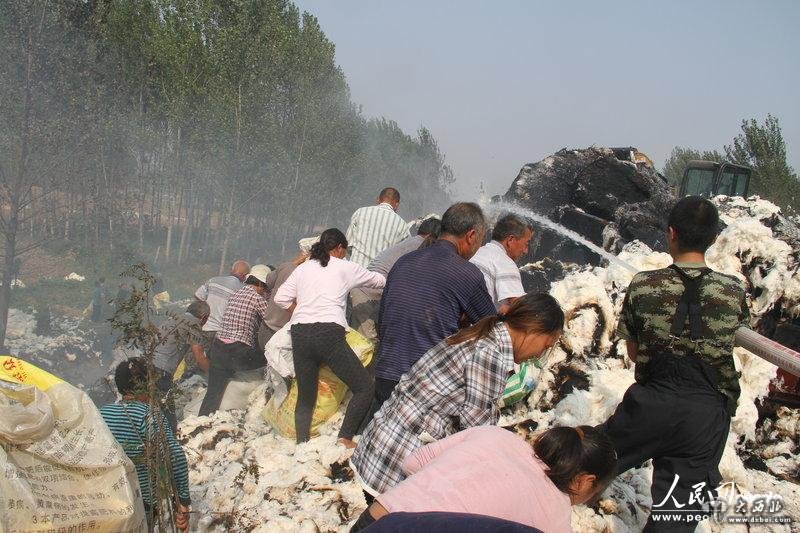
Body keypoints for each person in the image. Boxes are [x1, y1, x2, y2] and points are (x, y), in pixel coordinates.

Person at [598, 196, 749, 531]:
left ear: (671, 233)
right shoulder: (732, 291)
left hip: (649, 406)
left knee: (588, 461)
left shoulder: (643, 285)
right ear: (713, 239)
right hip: (705, 419)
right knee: (675, 521)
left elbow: (635, 353)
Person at [351, 292, 564, 495]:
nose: (539, 354)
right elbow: (477, 430)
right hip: (397, 461)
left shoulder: (482, 335)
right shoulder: (491, 355)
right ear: (533, 329)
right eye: (546, 346)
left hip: (379, 444)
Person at [351, 425, 617, 533]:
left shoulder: (496, 434)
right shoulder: (557, 516)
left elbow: (412, 462)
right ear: (584, 482)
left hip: (378, 518)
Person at [368, 202, 497, 416]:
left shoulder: (403, 262)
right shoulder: (467, 273)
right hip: (424, 387)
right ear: (472, 235)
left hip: (384, 376)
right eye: (481, 241)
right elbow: (492, 327)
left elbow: (384, 320)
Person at [274, 229, 386, 447]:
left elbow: (280, 298)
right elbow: (378, 281)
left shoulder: (303, 268)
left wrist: (301, 310)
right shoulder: (344, 265)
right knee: (364, 387)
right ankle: (344, 437)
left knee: (306, 395)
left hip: (300, 334)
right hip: (328, 334)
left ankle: (302, 443)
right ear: (340, 248)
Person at [99, 358, 191, 531]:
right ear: (146, 385)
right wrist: (183, 501)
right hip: (141, 502)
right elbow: (175, 456)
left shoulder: (102, 414)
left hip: (107, 499)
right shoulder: (148, 416)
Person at [351, 216, 442, 343]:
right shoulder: (422, 247)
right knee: (366, 347)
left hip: (365, 291)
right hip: (368, 294)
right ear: (435, 236)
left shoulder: (409, 243)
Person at [198, 264, 270, 416]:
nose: (265, 291)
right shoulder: (257, 298)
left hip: (218, 349)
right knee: (270, 358)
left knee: (213, 392)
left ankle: (202, 419)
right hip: (238, 352)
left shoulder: (236, 293)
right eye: (265, 288)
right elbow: (272, 319)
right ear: (258, 284)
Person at [152, 300, 210, 429]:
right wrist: (214, 376)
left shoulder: (173, 319)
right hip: (162, 371)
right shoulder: (193, 325)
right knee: (168, 416)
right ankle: (167, 444)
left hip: (146, 365)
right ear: (204, 317)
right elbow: (199, 357)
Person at [258, 238, 318, 348]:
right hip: (284, 335)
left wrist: (292, 262)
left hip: (266, 328)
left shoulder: (287, 267)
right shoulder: (313, 277)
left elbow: (269, 281)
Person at [470, 213, 533, 311]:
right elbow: (521, 309)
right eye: (526, 243)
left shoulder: (476, 253)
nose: (526, 251)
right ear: (510, 240)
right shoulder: (505, 262)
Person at [346, 187, 409, 268]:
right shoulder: (402, 225)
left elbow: (348, 243)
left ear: (378, 199)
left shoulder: (360, 213)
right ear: (397, 204)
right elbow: (405, 256)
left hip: (355, 271)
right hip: (380, 275)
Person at [195, 259, 251, 347]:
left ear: (232, 270)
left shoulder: (213, 281)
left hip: (204, 327)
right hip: (223, 335)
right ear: (245, 276)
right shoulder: (244, 290)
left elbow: (198, 296)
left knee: (198, 356)